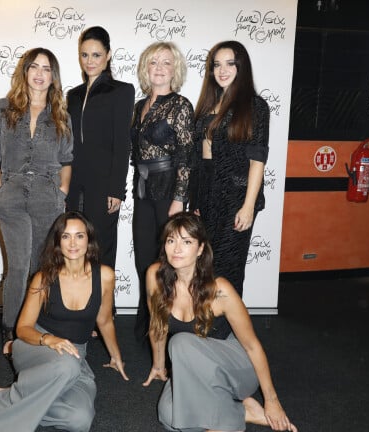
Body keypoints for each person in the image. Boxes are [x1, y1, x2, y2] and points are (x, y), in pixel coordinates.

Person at [143, 212, 297, 432]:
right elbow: (157, 326)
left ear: (200, 249)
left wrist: (272, 400)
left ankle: (227, 416)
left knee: (179, 343)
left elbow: (252, 346)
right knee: (168, 416)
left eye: (186, 242)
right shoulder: (154, 276)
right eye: (171, 240)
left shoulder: (219, 290)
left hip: (235, 368)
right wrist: (158, 366)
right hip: (195, 370)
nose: (176, 249)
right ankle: (242, 411)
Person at [0, 211, 128, 431]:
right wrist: (48, 339)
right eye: (66, 236)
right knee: (66, 365)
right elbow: (23, 329)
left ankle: (14, 395)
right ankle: (5, 406)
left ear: (89, 240)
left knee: (79, 419)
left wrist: (116, 357)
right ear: (58, 241)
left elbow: (104, 321)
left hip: (75, 355)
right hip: (35, 346)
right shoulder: (45, 277)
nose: (73, 243)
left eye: (79, 236)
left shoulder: (105, 276)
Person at [0, 48, 73, 357]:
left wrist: (61, 191)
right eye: (34, 67)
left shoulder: (61, 115)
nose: (39, 73)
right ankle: (10, 327)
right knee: (20, 265)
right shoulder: (0, 109)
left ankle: (35, 324)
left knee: (41, 266)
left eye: (47, 68)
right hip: (11, 196)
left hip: (47, 198)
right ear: (25, 72)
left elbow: (66, 159)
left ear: (53, 76)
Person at [190, 40, 270, 297]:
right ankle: (206, 323)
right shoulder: (207, 105)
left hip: (236, 196)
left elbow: (258, 160)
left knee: (228, 267)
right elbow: (201, 160)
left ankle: (225, 330)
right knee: (205, 266)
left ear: (241, 67)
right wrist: (197, 198)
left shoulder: (255, 107)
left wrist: (248, 206)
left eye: (230, 64)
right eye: (216, 65)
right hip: (208, 194)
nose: (222, 70)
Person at [131, 42, 194, 344]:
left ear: (175, 69)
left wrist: (179, 198)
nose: (159, 67)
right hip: (142, 190)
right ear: (145, 67)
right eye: (153, 62)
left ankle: (171, 328)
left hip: (169, 188)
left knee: (169, 261)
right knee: (145, 259)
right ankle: (150, 327)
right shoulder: (137, 106)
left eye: (166, 62)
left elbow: (185, 155)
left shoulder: (180, 105)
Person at [66, 26, 135, 268]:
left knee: (102, 250)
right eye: (84, 55)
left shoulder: (122, 91)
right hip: (74, 186)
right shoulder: (72, 95)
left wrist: (117, 189)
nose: (90, 61)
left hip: (104, 186)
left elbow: (123, 143)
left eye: (96, 55)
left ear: (108, 55)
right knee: (75, 251)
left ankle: (106, 306)